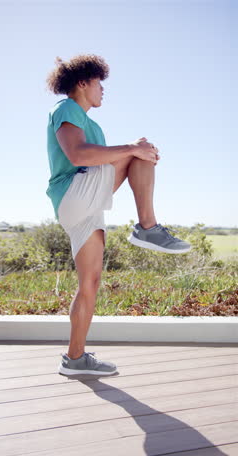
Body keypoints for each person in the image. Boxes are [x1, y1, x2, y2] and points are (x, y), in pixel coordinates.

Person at [45, 54, 192, 377]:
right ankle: (147, 227)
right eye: (99, 83)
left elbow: (100, 159)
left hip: (85, 206)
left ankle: (75, 359)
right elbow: (77, 154)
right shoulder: (66, 108)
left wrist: (132, 152)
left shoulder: (92, 124)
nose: (103, 90)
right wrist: (134, 149)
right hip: (73, 191)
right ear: (83, 82)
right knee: (141, 147)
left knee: (90, 283)